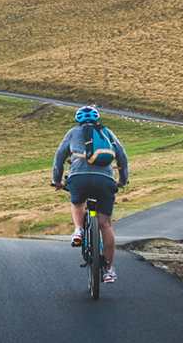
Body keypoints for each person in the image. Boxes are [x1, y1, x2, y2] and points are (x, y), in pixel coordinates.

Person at [51, 105, 129, 284]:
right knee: (106, 225)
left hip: (79, 177)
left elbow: (60, 157)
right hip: (105, 180)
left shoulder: (73, 133)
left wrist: (57, 180)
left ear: (78, 121)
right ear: (97, 120)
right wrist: (122, 180)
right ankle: (109, 270)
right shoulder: (107, 133)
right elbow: (122, 157)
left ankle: (78, 230)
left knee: (77, 202)